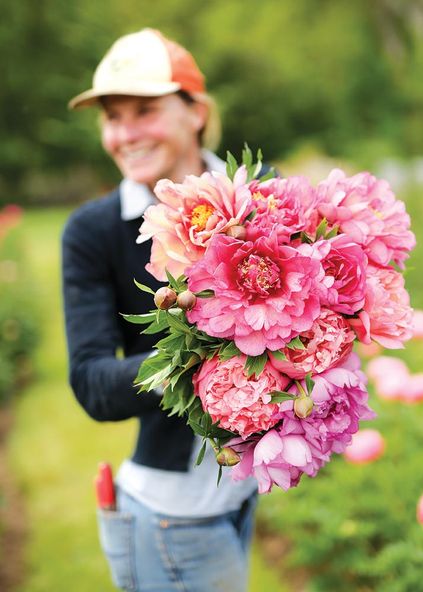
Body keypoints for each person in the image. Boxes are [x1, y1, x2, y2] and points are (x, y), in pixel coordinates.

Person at [62, 28, 257, 592]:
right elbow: (93, 383)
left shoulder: (263, 197)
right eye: (111, 116)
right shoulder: (92, 232)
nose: (124, 134)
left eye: (144, 110)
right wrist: (205, 353)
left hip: (241, 493)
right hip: (170, 516)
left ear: (195, 112)